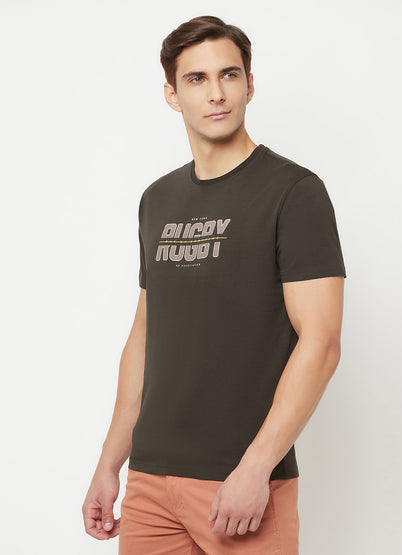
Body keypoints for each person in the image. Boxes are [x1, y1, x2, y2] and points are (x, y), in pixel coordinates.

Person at [82, 15, 347, 555]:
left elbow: (321, 342)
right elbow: (145, 336)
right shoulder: (157, 200)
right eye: (196, 79)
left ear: (250, 84)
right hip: (150, 482)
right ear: (172, 95)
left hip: (241, 481)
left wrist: (256, 467)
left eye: (229, 74)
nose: (217, 93)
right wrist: (110, 463)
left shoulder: (294, 192)